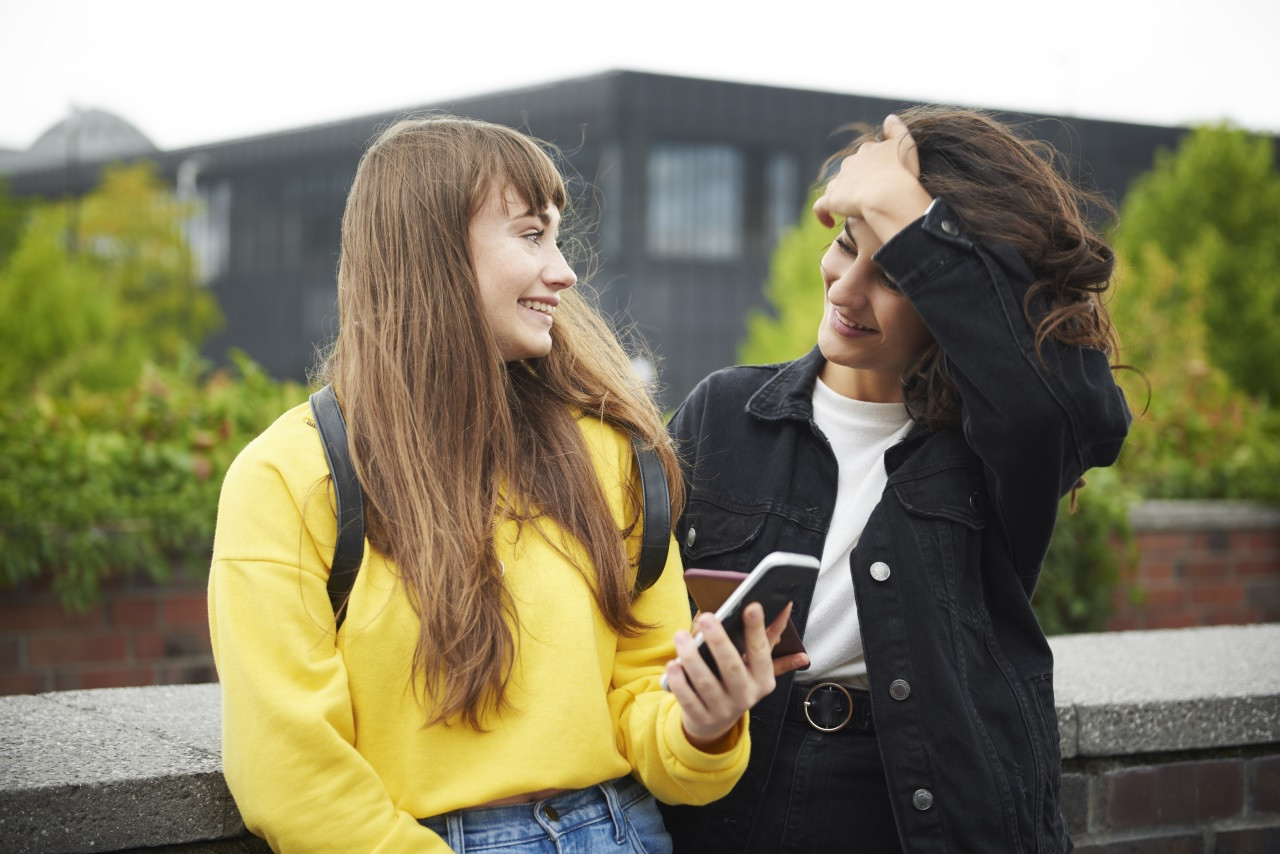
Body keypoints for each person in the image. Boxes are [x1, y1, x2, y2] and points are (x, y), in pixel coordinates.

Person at [207, 116, 786, 853]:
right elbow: (291, 775)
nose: (565, 272)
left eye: (556, 237)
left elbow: (648, 704)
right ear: (434, 253)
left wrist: (704, 726)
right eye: (529, 235)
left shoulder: (610, 452)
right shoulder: (289, 476)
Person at [659, 108, 1132, 852]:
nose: (846, 291)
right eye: (846, 246)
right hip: (739, 786)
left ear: (948, 295)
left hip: (928, 805)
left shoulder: (995, 445)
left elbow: (1082, 412)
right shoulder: (723, 413)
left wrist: (904, 210)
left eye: (893, 274)